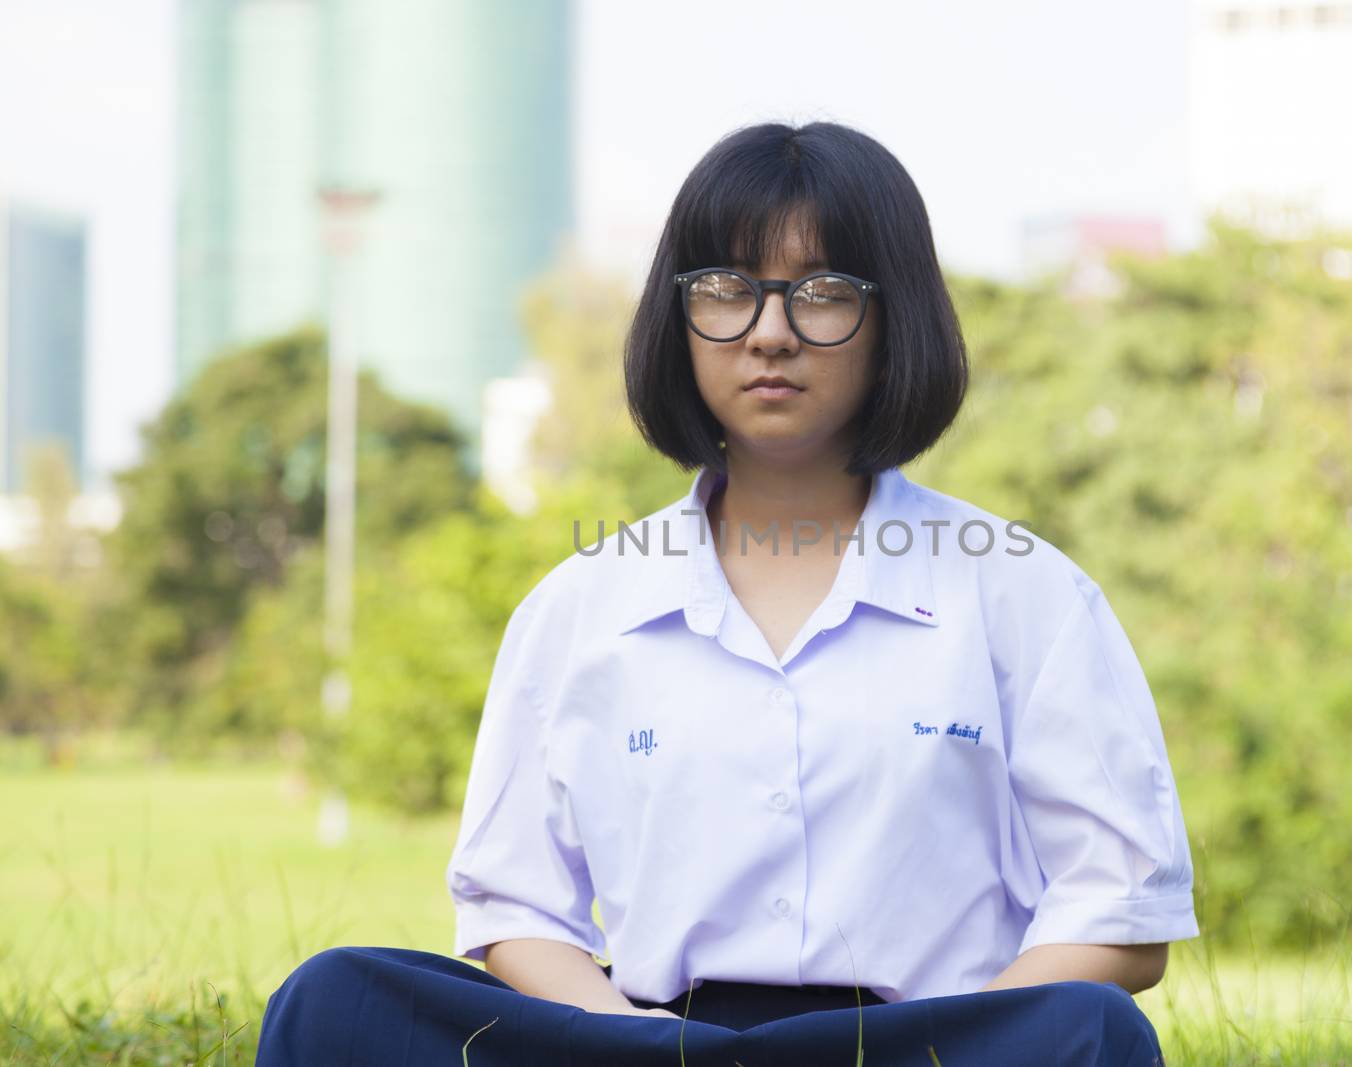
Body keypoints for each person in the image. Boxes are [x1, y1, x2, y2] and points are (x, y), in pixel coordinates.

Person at [255, 120, 1200, 1067]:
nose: (771, 333)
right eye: (727, 291)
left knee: (1094, 1031)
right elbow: (515, 908)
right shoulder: (579, 605)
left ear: (895, 317)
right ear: (680, 317)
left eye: (825, 294)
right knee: (339, 1000)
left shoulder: (1024, 591)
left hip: (925, 1045)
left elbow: (1120, 911)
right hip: (646, 1044)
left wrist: (944, 1046)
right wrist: (637, 1040)